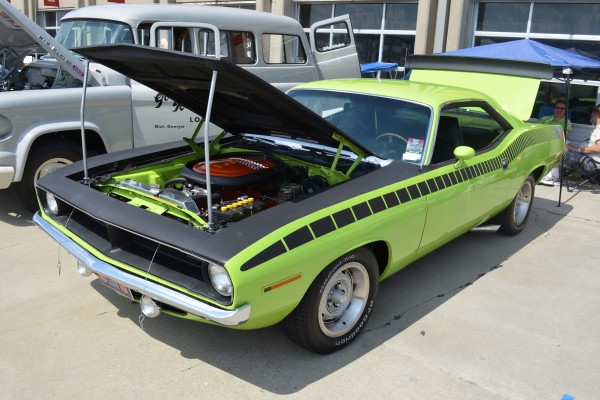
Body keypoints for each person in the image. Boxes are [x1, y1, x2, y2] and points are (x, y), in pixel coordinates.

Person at [540, 98, 572, 186]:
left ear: (565, 111)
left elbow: (564, 135)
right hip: (544, 142)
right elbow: (538, 132)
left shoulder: (567, 122)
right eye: (557, 107)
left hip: (558, 143)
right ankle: (551, 176)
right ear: (554, 109)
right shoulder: (544, 119)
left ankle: (553, 177)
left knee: (554, 150)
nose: (559, 110)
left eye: (562, 108)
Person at [563, 106, 600, 174]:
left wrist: (577, 150)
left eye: (592, 112)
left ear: (597, 114)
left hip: (593, 164)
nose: (591, 114)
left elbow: (599, 147)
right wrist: (572, 148)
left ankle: (554, 176)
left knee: (563, 153)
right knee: (566, 150)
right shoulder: (597, 128)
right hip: (589, 160)